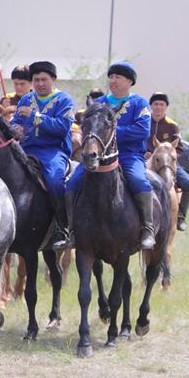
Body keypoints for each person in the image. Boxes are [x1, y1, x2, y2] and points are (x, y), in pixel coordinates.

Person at [69, 61, 154, 249]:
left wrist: (111, 131)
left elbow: (142, 130)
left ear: (130, 82)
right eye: (111, 77)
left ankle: (147, 228)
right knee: (72, 183)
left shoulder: (139, 103)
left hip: (129, 155)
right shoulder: (99, 103)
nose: (113, 81)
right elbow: (87, 127)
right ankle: (70, 229)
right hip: (98, 156)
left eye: (118, 77)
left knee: (139, 181)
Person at [11, 61, 74, 250]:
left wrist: (34, 117)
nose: (40, 83)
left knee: (55, 180)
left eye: (44, 79)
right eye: (36, 80)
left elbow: (62, 127)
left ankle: (62, 227)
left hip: (52, 151)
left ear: (53, 79)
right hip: (25, 149)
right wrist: (16, 128)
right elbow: (15, 122)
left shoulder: (64, 100)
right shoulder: (25, 100)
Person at [145, 92, 189, 231]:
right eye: (156, 104)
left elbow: (179, 148)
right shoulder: (144, 122)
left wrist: (168, 156)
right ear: (151, 106)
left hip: (168, 163)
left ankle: (181, 217)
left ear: (166, 107)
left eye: (162, 104)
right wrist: (143, 154)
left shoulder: (172, 126)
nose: (158, 107)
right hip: (146, 162)